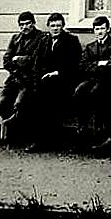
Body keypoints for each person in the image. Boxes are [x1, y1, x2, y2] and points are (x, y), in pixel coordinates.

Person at [0, 11, 48, 145]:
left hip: (29, 81)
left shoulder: (42, 38)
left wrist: (18, 59)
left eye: (27, 23)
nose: (24, 27)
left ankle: (21, 135)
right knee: (0, 105)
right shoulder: (15, 38)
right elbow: (6, 61)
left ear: (33, 23)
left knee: (19, 105)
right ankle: (14, 129)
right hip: (14, 79)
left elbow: (36, 60)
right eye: (21, 25)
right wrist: (16, 66)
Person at [74, 15, 111, 152]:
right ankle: (82, 131)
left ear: (108, 29)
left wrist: (94, 65)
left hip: (109, 81)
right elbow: (82, 66)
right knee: (79, 91)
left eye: (102, 28)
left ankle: (100, 135)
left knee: (95, 93)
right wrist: (100, 64)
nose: (100, 31)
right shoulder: (90, 47)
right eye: (97, 29)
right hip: (91, 79)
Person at [35, 12, 81, 149]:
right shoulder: (43, 41)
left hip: (65, 80)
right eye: (53, 26)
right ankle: (41, 139)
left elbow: (75, 64)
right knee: (36, 97)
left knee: (51, 98)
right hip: (45, 80)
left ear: (63, 26)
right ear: (48, 26)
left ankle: (50, 139)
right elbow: (37, 62)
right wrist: (41, 75)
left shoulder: (71, 40)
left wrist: (58, 72)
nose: (55, 28)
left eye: (58, 26)